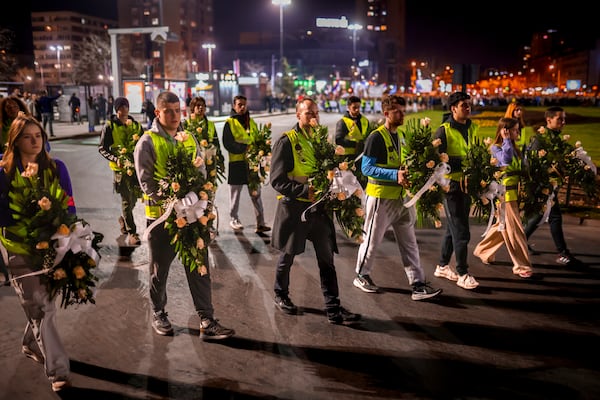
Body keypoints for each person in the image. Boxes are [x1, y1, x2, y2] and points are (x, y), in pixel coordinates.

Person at [133, 91, 234, 340]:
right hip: (161, 220)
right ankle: (159, 312)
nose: (175, 116)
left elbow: (200, 171)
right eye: (169, 111)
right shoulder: (147, 142)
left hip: (191, 219)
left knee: (199, 268)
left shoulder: (188, 138)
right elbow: (146, 183)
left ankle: (207, 320)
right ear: (157, 113)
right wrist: (173, 202)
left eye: (178, 110)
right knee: (160, 270)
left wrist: (199, 196)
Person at [269, 97, 361, 325]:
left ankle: (334, 308)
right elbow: (277, 180)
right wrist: (303, 190)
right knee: (287, 255)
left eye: (316, 113)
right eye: (309, 113)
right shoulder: (286, 141)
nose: (314, 117)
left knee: (326, 259)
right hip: (295, 209)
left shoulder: (320, 140)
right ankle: (280, 294)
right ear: (298, 115)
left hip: (318, 210)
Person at [0, 113, 74, 391]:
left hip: (52, 247)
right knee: (43, 308)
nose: (35, 141)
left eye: (38, 136)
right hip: (17, 248)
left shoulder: (57, 168)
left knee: (41, 306)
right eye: (28, 137)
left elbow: (69, 205)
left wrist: (68, 238)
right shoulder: (4, 173)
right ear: (15, 142)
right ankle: (58, 371)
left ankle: (31, 342)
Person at [352, 95, 442, 300]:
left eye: (403, 110)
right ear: (386, 113)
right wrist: (395, 175)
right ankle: (361, 275)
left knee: (410, 243)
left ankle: (417, 284)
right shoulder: (376, 137)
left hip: (402, 199)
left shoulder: (401, 136)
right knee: (372, 241)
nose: (403, 114)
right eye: (398, 111)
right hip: (380, 198)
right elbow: (365, 168)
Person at [523, 106, 585, 268]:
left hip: (551, 186)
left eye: (564, 119)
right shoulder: (540, 139)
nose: (563, 122)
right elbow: (532, 163)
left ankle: (520, 242)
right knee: (552, 217)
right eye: (560, 119)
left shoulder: (557, 139)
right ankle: (563, 253)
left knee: (541, 216)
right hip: (542, 186)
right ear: (548, 120)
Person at [473, 117, 533, 279]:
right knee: (515, 231)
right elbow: (505, 160)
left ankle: (483, 251)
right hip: (505, 195)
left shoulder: (515, 147)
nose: (517, 132)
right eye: (514, 130)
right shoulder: (496, 148)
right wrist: (506, 140)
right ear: (504, 131)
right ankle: (521, 265)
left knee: (502, 227)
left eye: (517, 129)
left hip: (515, 193)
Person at [433, 91, 480, 290]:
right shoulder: (443, 131)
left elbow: (477, 153)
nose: (468, 108)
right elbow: (435, 161)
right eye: (464, 105)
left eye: (469, 105)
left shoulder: (473, 128)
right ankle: (462, 273)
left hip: (468, 186)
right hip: (451, 187)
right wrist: (463, 164)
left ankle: (442, 266)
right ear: (453, 109)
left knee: (454, 229)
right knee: (461, 231)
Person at [222, 95, 270, 233]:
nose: (242, 107)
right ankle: (234, 219)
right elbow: (228, 143)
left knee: (256, 194)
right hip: (237, 163)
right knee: (235, 194)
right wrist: (245, 148)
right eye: (239, 104)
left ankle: (260, 223)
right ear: (234, 106)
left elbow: (258, 140)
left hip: (252, 164)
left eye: (244, 104)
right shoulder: (229, 123)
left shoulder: (252, 122)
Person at [98, 96, 143, 246]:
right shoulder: (110, 126)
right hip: (120, 170)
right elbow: (102, 148)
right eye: (120, 108)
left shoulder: (136, 125)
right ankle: (132, 232)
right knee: (126, 200)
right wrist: (114, 158)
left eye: (125, 107)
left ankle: (124, 219)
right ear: (116, 110)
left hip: (135, 169)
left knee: (134, 199)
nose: (123, 110)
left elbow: (143, 144)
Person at [334, 95, 371, 187]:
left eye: (358, 107)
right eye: (354, 107)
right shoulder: (343, 122)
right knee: (349, 183)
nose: (357, 110)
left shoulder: (365, 121)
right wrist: (355, 144)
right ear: (348, 107)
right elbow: (338, 140)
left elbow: (369, 136)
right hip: (348, 159)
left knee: (362, 183)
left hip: (363, 156)